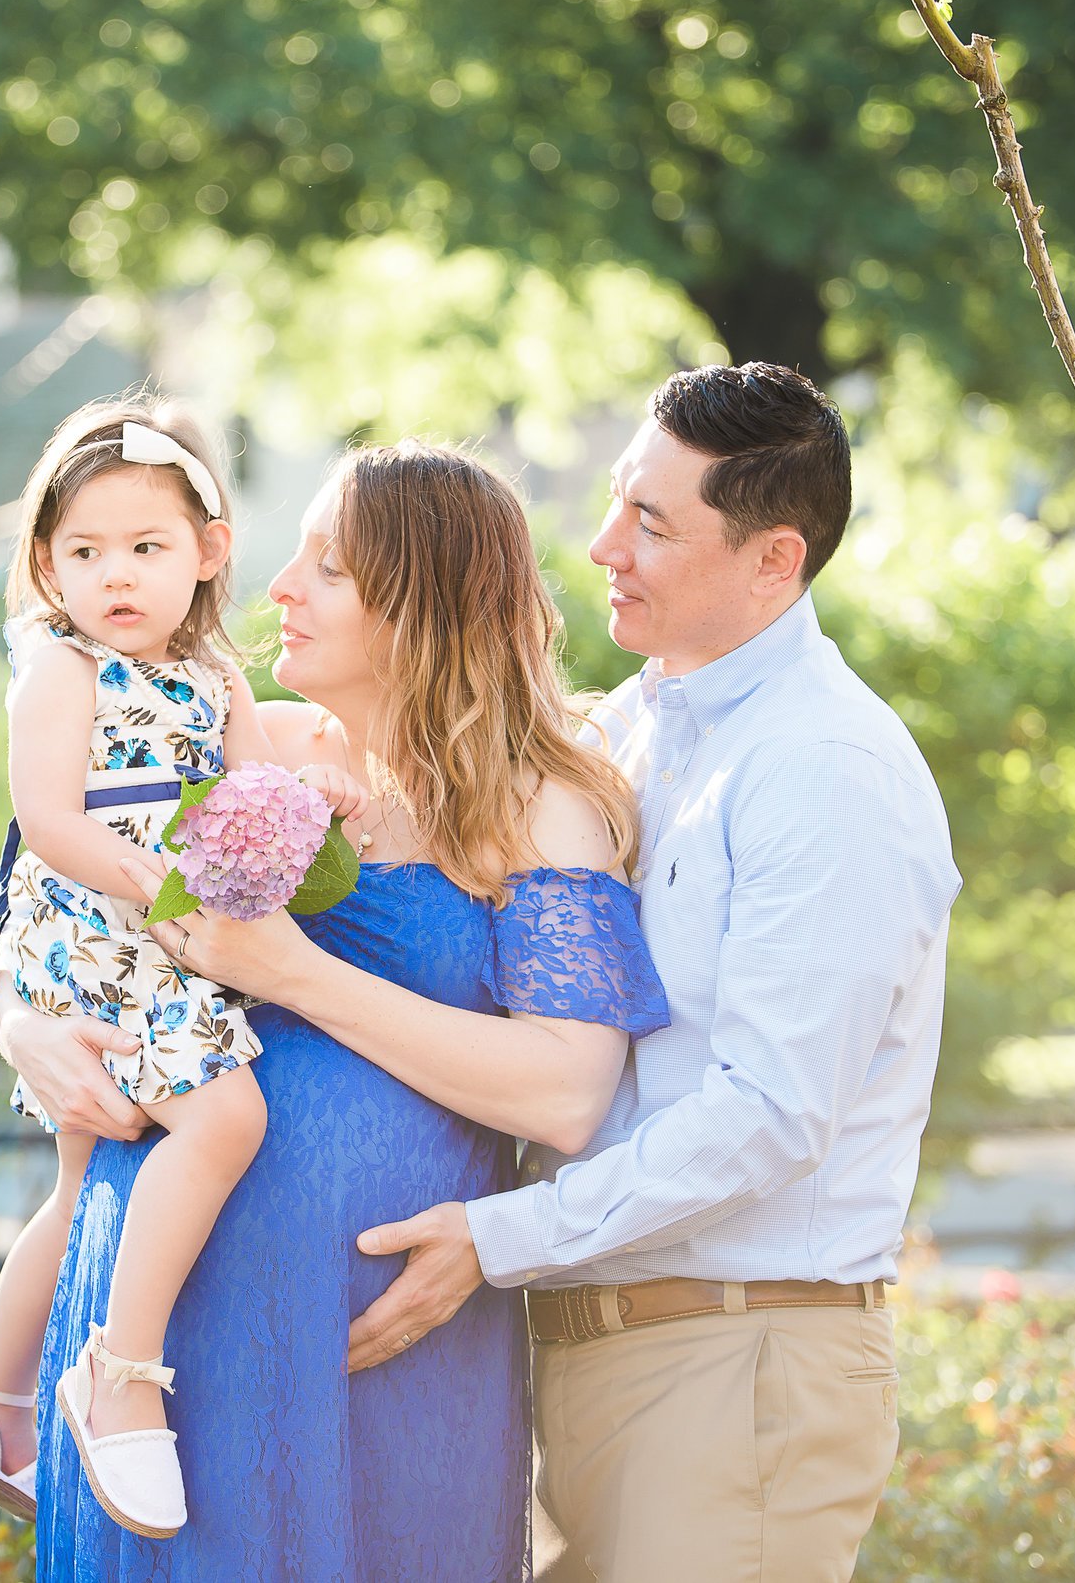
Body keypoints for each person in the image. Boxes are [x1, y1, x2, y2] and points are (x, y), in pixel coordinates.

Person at [309, 364, 962, 1582]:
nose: (603, 543)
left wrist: (499, 1234)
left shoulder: (823, 770)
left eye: (653, 523)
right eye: (619, 500)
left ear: (774, 560)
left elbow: (768, 1115)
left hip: (735, 1364)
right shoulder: (626, 731)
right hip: (581, 1351)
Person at [0, 440, 671, 1580]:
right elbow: (45, 902)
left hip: (369, 1341)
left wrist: (296, 971)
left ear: (424, 603)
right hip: (144, 1346)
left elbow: (563, 1093)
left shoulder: (547, 804)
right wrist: (22, 1025)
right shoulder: (235, 740)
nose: (272, 591)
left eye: (328, 568)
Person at [0, 396, 366, 1539]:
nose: (114, 574)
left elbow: (250, 788)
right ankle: (120, 1369)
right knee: (223, 1121)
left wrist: (313, 803)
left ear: (209, 551)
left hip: (165, 932)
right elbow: (50, 823)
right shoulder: (63, 673)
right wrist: (162, 882)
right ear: (46, 565)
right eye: (85, 551)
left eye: (145, 547)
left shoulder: (213, 676)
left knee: (77, 1194)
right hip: (94, 932)